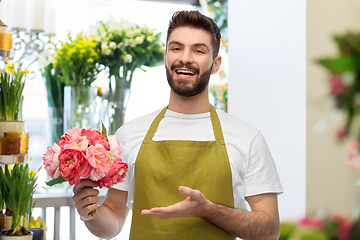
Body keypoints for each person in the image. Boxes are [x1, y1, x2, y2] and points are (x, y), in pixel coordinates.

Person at [72, 10, 283, 240]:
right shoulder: (130, 135)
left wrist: (207, 210)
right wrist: (90, 213)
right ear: (166, 57)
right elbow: (113, 221)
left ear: (215, 64)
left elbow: (269, 230)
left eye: (199, 50)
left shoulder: (247, 138)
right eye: (176, 48)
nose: (185, 58)